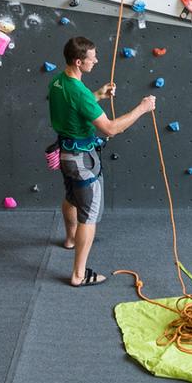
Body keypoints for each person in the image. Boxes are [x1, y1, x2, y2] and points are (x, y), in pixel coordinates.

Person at [48, 37, 156, 287]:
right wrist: (142, 108)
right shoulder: (80, 93)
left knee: (71, 197)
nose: (96, 60)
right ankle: (78, 274)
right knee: (90, 214)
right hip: (83, 161)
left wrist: (97, 94)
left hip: (66, 155)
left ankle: (70, 239)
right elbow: (109, 129)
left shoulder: (57, 81)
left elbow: (74, 107)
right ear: (78, 61)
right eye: (92, 57)